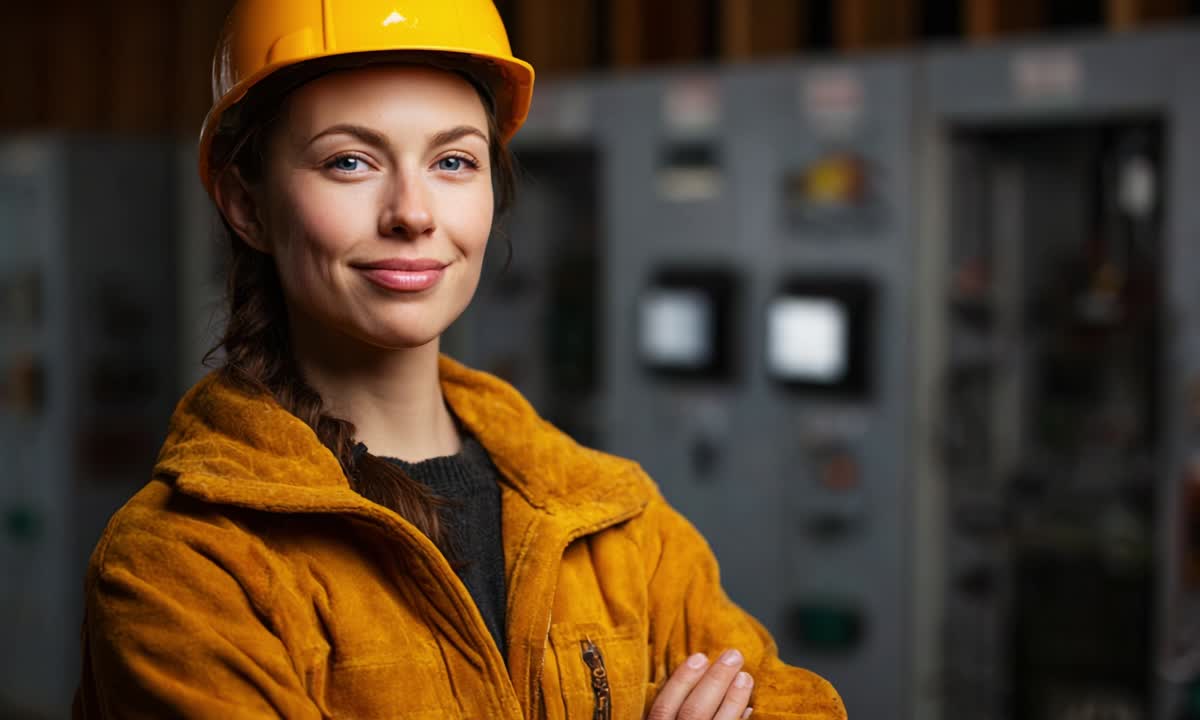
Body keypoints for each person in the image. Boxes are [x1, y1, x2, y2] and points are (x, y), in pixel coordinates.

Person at [73, 1, 847, 718]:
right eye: (350, 161)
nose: (413, 213)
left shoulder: (610, 519)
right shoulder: (182, 569)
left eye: (453, 162)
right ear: (248, 206)